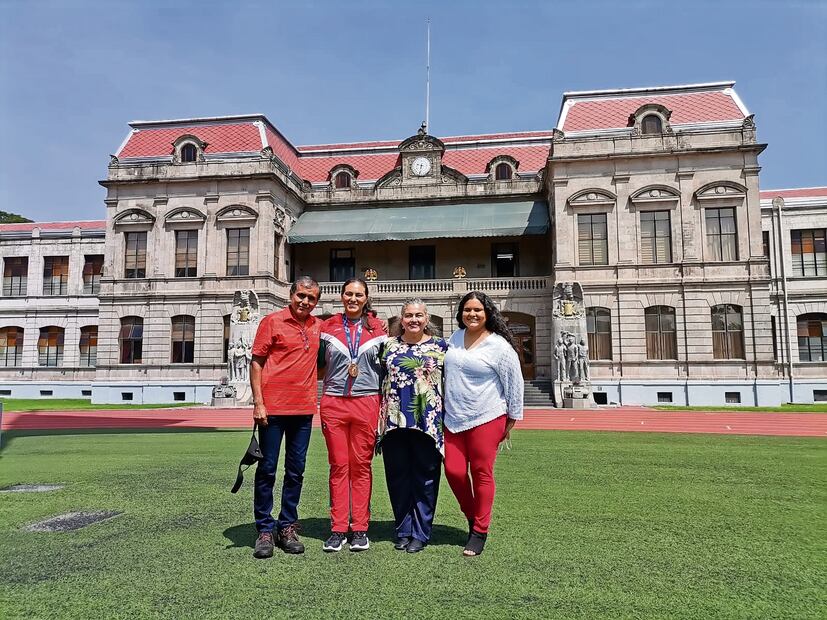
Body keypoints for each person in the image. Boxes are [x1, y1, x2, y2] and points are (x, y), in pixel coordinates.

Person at [443, 291, 524, 557]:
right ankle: (472, 516)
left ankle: (479, 531)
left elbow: (515, 383)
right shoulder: (454, 338)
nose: (472, 314)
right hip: (453, 418)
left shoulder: (499, 346)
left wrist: (511, 419)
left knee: (481, 472)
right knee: (454, 471)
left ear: (487, 312)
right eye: (467, 310)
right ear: (461, 313)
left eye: (477, 310)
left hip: (487, 416)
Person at [249, 276, 321, 559]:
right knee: (267, 469)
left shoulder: (318, 327)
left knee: (296, 471)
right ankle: (265, 529)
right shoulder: (272, 322)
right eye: (301, 295)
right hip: (272, 411)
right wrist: (258, 403)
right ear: (291, 295)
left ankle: (287, 525)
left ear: (316, 301)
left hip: (303, 411)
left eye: (311, 298)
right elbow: (256, 362)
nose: (305, 301)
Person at [319, 277, 387, 552]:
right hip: (334, 402)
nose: (353, 299)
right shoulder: (328, 327)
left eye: (359, 295)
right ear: (341, 296)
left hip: (367, 401)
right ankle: (337, 528)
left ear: (366, 297)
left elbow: (387, 370)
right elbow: (314, 364)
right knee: (338, 465)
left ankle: (359, 527)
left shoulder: (377, 328)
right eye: (349, 294)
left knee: (361, 466)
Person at [380, 298, 448, 553]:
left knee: (426, 478)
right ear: (401, 318)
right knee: (398, 477)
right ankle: (403, 529)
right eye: (409, 315)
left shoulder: (441, 347)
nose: (414, 320)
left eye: (419, 315)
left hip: (428, 423)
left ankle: (420, 531)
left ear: (427, 318)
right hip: (395, 421)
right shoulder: (388, 346)